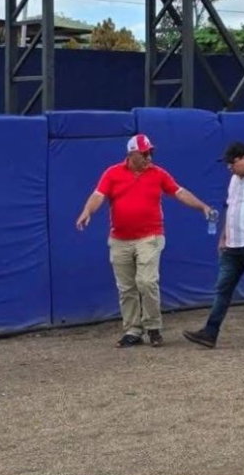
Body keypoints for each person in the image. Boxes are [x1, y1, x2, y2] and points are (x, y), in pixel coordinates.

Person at [76, 133, 215, 348]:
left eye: (151, 152)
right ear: (131, 154)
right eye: (144, 153)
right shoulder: (112, 173)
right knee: (126, 287)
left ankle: (153, 326)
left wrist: (202, 206)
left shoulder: (158, 174)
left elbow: (179, 192)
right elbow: (98, 195)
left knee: (147, 281)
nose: (149, 157)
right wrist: (87, 211)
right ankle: (132, 330)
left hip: (150, 236)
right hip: (120, 238)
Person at [183, 142, 244, 350]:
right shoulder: (234, 180)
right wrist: (223, 237)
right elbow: (232, 208)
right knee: (223, 288)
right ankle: (210, 332)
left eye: (232, 163)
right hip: (234, 244)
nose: (229, 167)